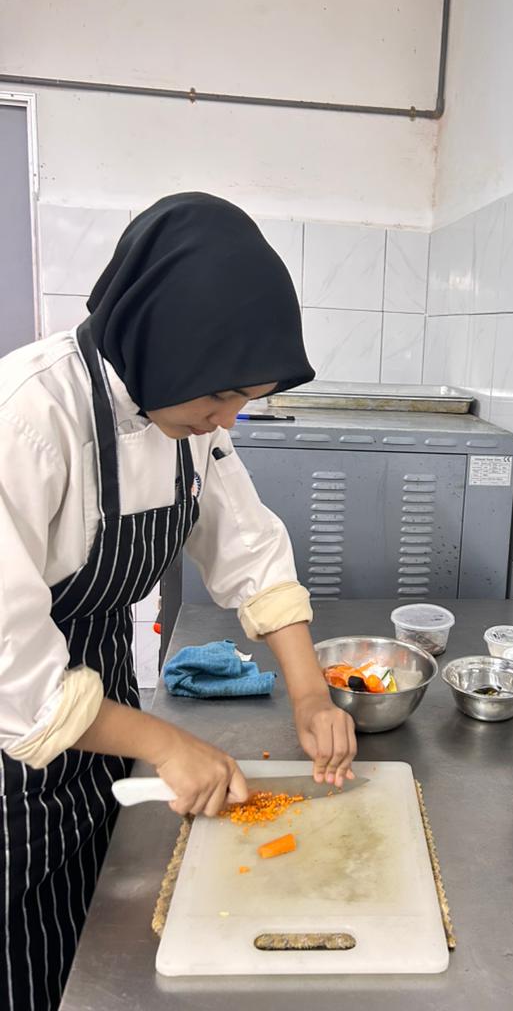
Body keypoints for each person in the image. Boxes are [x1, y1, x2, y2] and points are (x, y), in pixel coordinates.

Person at [0, 192, 357, 1010]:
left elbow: (251, 551)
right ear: (163, 345)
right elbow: (11, 673)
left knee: (94, 928)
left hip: (100, 711)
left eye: (243, 400)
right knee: (24, 951)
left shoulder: (187, 412)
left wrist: (310, 693)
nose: (227, 419)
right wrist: (166, 744)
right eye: (221, 398)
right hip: (10, 755)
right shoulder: (24, 421)